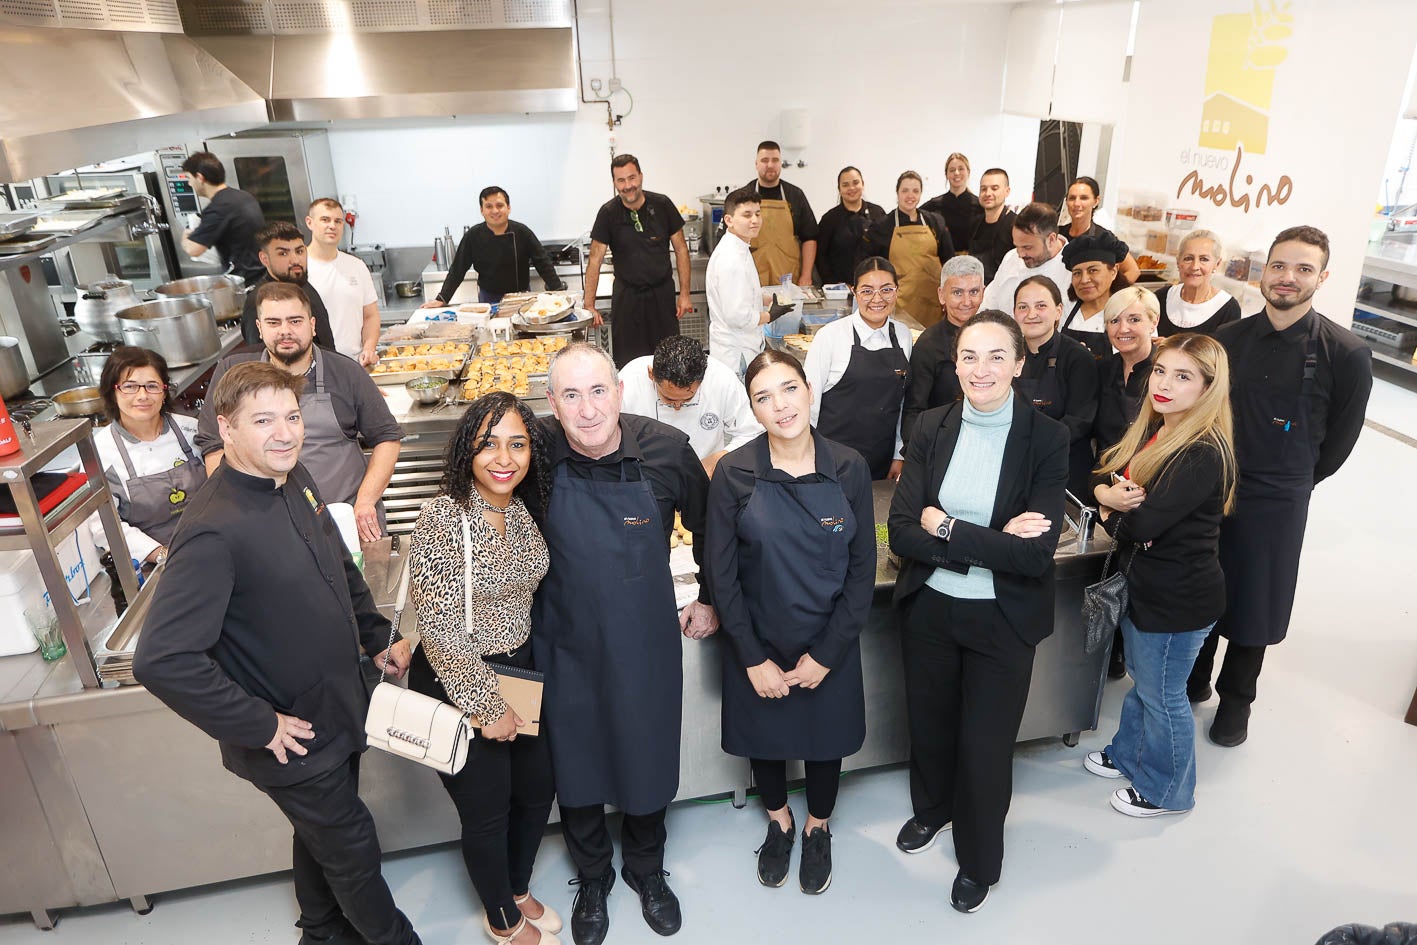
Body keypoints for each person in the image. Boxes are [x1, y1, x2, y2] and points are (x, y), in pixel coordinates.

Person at [133, 361, 421, 945]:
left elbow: (338, 566)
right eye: (263, 420)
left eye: (291, 416)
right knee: (353, 848)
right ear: (227, 428)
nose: (284, 433)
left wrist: (376, 638)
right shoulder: (214, 530)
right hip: (290, 733)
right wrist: (257, 723)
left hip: (341, 701)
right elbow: (161, 659)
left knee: (321, 835)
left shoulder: (296, 478)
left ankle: (320, 931)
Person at [531, 343, 719, 945]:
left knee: (644, 753)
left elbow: (715, 529)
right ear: (552, 404)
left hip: (643, 639)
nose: (587, 410)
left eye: (597, 392)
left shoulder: (666, 451)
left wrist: (710, 596)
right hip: (562, 640)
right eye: (570, 395)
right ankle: (592, 877)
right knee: (576, 759)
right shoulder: (532, 454)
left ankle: (645, 868)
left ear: (620, 389)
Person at [888, 309, 1068, 913]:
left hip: (1003, 619)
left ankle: (979, 859)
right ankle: (932, 811)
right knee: (932, 728)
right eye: (969, 356)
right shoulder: (931, 427)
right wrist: (992, 538)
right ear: (954, 363)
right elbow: (902, 531)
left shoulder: (1047, 438)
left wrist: (949, 527)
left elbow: (1035, 554)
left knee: (986, 747)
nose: (981, 368)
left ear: (1020, 364)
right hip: (931, 608)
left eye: (997, 356)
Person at [1187, 226, 1373, 747]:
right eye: (1278, 266)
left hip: (1281, 493)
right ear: (1263, 271)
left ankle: (1236, 701)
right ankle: (1194, 679)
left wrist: (1297, 480)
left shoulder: (1347, 352)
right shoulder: (1228, 340)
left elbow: (1340, 438)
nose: (1287, 278)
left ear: (1323, 277)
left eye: (1303, 269)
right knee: (1205, 580)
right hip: (1214, 481)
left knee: (1258, 598)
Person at [706, 348, 874, 895]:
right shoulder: (735, 472)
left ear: (808, 389)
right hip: (760, 640)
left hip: (830, 640)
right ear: (752, 410)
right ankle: (778, 822)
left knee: (826, 743)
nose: (780, 405)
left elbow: (861, 571)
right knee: (768, 741)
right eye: (763, 397)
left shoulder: (848, 466)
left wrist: (827, 655)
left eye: (789, 388)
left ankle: (817, 827)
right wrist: (753, 658)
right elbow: (722, 576)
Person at [406, 392, 559, 945]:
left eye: (517, 444)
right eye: (489, 443)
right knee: (488, 808)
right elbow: (441, 629)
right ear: (467, 449)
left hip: (516, 668)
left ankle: (516, 885)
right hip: (461, 676)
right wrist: (483, 705)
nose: (505, 457)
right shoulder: (444, 517)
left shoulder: (518, 507)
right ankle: (502, 919)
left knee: (537, 788)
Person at [1087, 333, 1237, 817]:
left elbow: (1142, 523)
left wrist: (1111, 508)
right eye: (1160, 371)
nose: (1164, 384)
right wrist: (1110, 498)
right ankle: (1128, 755)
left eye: (1183, 376)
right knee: (1145, 683)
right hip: (1149, 586)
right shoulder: (1159, 430)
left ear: (1208, 387)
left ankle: (1168, 791)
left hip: (1178, 601)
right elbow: (1104, 477)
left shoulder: (1201, 451)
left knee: (1163, 695)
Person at [198, 282, 403, 543]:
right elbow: (214, 445)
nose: (285, 331)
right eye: (274, 323)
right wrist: (236, 508)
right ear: (259, 329)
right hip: (265, 525)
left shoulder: (346, 372)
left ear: (312, 325)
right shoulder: (232, 373)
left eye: (295, 321)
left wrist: (365, 502)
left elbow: (387, 437)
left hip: (344, 521)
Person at [90, 345, 205, 567]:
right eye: (130, 387)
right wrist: (162, 554)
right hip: (155, 563)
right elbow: (104, 524)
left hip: (215, 540)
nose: (142, 396)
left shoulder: (193, 431)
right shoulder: (100, 451)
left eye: (152, 386)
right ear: (112, 392)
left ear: (164, 391)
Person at [803, 257, 913, 482]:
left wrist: (898, 454)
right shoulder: (831, 336)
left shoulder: (903, 335)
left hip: (881, 458)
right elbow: (808, 404)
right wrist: (806, 458)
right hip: (831, 461)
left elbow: (902, 403)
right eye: (867, 291)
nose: (877, 299)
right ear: (854, 292)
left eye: (886, 290)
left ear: (897, 291)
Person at [583, 155, 692, 368]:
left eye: (632, 178)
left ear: (641, 176)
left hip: (662, 295)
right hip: (627, 299)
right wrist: (589, 304)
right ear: (614, 183)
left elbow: (681, 249)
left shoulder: (662, 204)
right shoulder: (608, 213)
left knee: (669, 362)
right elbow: (595, 260)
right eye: (620, 180)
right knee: (628, 363)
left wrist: (685, 295)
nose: (627, 186)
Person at [620, 335, 764, 477]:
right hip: (647, 473)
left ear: (702, 380)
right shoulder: (629, 382)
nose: (677, 406)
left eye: (687, 399)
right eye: (669, 399)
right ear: (651, 374)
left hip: (705, 474)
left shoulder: (721, 379)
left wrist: (720, 458)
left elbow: (752, 431)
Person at [1012, 276, 1099, 501]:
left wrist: (1033, 446)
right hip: (1015, 466)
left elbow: (1079, 420)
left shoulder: (1078, 358)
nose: (1031, 314)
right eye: (1023, 307)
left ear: (1059, 311)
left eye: (1041, 306)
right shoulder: (1007, 355)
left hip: (1064, 470)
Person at [425, 186, 566, 307]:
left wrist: (558, 291)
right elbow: (457, 270)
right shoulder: (473, 236)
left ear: (508, 208)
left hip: (521, 298)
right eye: (489, 206)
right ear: (482, 210)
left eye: (499, 205)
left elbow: (543, 263)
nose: (495, 211)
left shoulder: (522, 232)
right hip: (488, 299)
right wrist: (442, 298)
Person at [901, 255, 986, 445]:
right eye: (957, 293)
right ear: (941, 295)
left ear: (983, 292)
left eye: (973, 292)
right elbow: (914, 409)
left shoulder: (994, 336)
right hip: (942, 441)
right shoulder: (929, 345)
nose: (966, 301)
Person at [858, 171, 955, 328]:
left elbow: (950, 262)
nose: (910, 195)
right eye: (905, 191)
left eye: (915, 191)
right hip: (899, 304)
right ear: (897, 193)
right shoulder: (883, 226)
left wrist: (949, 295)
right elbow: (867, 263)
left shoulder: (934, 222)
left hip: (932, 302)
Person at [305, 197, 381, 366]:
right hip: (315, 366)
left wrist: (369, 348)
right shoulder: (299, 268)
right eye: (325, 220)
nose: (332, 226)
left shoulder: (356, 266)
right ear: (309, 223)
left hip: (355, 364)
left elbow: (370, 315)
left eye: (338, 221)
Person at [239, 221, 338, 350]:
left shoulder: (302, 284)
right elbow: (260, 359)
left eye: (299, 251)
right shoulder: (259, 300)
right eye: (283, 253)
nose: (296, 260)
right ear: (265, 259)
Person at [705, 188, 771, 375]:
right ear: (729, 220)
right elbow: (737, 316)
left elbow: (741, 293)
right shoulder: (731, 258)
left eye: (758, 214)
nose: (755, 220)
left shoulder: (740, 247)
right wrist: (771, 315)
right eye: (747, 215)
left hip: (741, 347)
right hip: (736, 353)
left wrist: (765, 298)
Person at [179, 151, 265, 284]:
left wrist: (186, 237)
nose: (189, 184)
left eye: (189, 178)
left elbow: (193, 249)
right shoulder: (243, 196)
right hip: (262, 274)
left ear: (200, 177)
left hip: (246, 282)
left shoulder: (219, 207)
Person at [1095, 286, 1161, 455]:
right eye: (1114, 321)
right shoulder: (1101, 370)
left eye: (1134, 320)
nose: (1123, 329)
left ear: (1154, 322)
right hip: (1103, 474)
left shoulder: (1165, 373)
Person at [742, 140, 818, 287]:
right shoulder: (744, 196)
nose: (770, 165)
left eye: (775, 160)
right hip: (753, 280)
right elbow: (733, 241)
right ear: (756, 164)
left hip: (789, 279)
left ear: (781, 163)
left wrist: (806, 275)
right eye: (764, 160)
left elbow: (810, 238)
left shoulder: (795, 195)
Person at [981, 202, 1070, 314]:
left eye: (1027, 247)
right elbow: (989, 304)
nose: (1020, 254)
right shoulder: (1011, 258)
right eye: (1017, 246)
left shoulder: (1073, 270)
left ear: (1051, 240)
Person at [1060, 230, 1133, 359]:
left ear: (1114, 271)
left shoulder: (1131, 313)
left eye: (1093, 270)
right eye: (1077, 273)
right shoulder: (1064, 310)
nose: (1084, 280)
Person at [1156, 229, 1242, 337]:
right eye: (1188, 258)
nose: (1194, 266)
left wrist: (1169, 346)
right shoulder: (1161, 297)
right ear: (1178, 262)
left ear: (1217, 264)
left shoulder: (1228, 309)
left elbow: (1224, 353)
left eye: (1204, 259)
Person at [815, 167, 886, 287]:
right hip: (840, 290)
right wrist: (835, 284)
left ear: (863, 184)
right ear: (839, 189)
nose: (852, 188)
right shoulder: (829, 219)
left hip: (875, 286)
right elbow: (821, 256)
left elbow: (886, 251)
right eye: (845, 185)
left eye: (856, 183)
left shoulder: (878, 213)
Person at [1061, 176, 1140, 282]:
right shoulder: (1057, 234)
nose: (1077, 204)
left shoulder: (1103, 238)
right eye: (1072, 198)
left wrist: (1110, 294)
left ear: (1096, 201)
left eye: (1084, 198)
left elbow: (1133, 270)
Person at [921, 153, 980, 254]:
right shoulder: (934, 205)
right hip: (942, 262)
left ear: (968, 172)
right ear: (946, 175)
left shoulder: (979, 205)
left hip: (970, 262)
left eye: (961, 169)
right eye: (952, 170)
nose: (956, 173)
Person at [966, 168, 1018, 282]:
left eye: (994, 188)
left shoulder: (1016, 225)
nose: (988, 193)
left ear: (1007, 191)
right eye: (983, 189)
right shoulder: (974, 224)